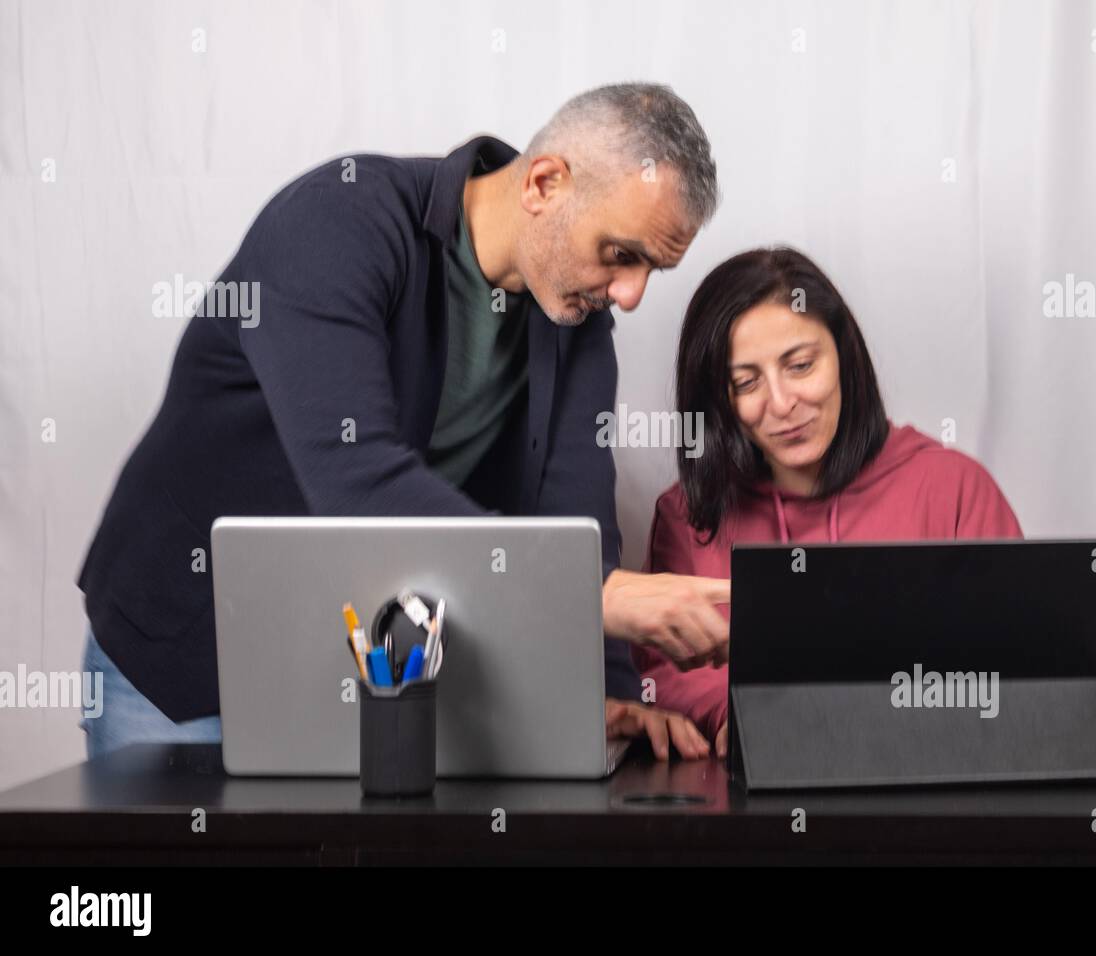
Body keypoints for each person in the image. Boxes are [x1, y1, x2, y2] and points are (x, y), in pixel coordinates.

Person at [78, 83, 728, 761]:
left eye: (652, 269)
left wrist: (607, 696)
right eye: (622, 254)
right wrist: (593, 595)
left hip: (365, 668)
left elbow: (578, 524)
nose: (630, 294)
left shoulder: (576, 321)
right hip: (182, 652)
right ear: (544, 183)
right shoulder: (336, 224)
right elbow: (360, 485)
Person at [634, 247, 1023, 754]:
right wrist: (739, 715)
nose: (781, 402)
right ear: (718, 401)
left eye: (800, 365)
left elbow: (1017, 663)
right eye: (745, 382)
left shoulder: (954, 489)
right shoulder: (687, 516)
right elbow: (660, 673)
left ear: (843, 354)